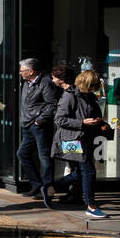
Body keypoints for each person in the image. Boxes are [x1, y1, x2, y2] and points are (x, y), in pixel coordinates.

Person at [45, 67, 109, 219]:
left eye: (95, 86)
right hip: (70, 139)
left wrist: (99, 121)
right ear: (84, 83)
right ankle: (91, 206)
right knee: (88, 172)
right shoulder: (69, 96)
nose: (93, 89)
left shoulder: (89, 96)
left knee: (79, 173)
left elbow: (93, 113)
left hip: (84, 139)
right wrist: (82, 122)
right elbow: (59, 120)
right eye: (91, 86)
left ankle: (52, 188)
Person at [17, 57, 59, 199]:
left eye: (22, 71)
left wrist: (40, 120)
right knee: (22, 154)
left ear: (31, 71)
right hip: (28, 124)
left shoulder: (45, 82)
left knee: (44, 157)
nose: (20, 73)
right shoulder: (27, 83)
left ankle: (47, 189)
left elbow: (52, 104)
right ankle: (36, 185)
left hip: (39, 125)